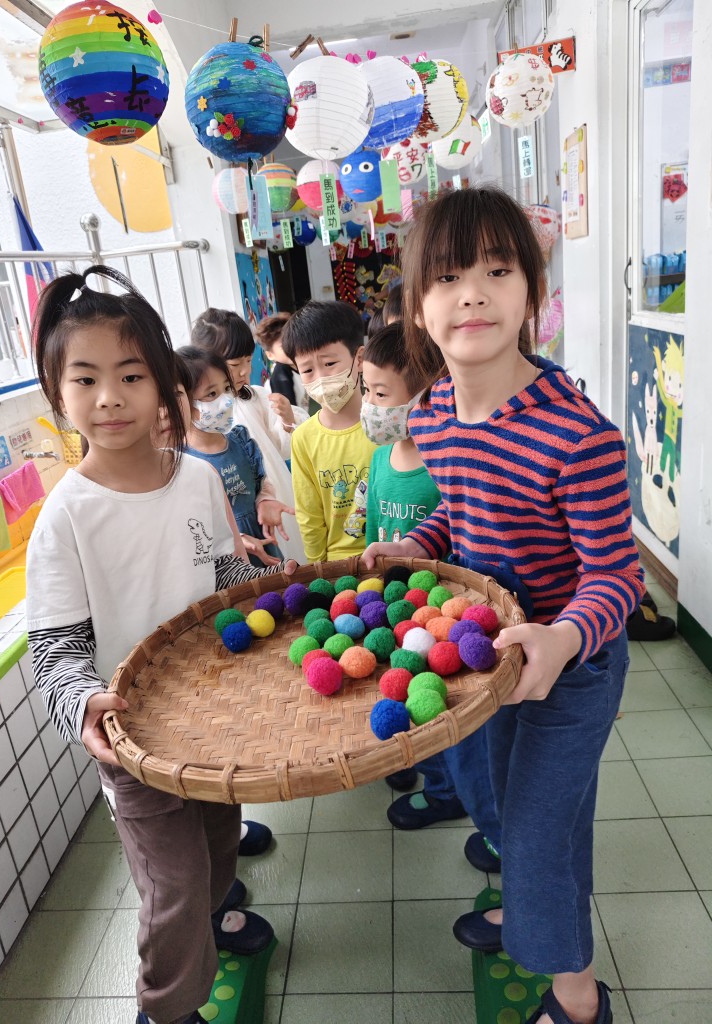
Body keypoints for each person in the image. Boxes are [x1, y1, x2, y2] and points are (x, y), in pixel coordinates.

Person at [362, 188, 643, 1024]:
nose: (473, 294)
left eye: (497, 271)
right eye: (448, 277)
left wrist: (562, 639)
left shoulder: (577, 435)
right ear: (419, 307)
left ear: (533, 293)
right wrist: (419, 546)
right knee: (497, 805)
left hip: (572, 668)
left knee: (536, 831)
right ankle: (528, 904)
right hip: (488, 659)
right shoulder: (433, 414)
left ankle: (577, 997)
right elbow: (464, 514)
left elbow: (617, 577)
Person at [26, 266, 298, 1024]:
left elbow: (220, 577)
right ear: (57, 394)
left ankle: (216, 921)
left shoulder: (197, 480)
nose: (109, 397)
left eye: (130, 375)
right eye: (85, 379)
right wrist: (84, 703)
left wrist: (272, 587)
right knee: (171, 884)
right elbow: (53, 650)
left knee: (218, 841)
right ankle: (166, 1007)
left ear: (162, 388)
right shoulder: (65, 517)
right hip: (133, 740)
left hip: (212, 718)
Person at [360, 324, 502, 849]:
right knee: (412, 701)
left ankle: (458, 798)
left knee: (454, 720)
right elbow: (378, 530)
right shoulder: (380, 458)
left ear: (425, 394)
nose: (369, 406)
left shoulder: (445, 461)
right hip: (396, 610)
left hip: (447, 613)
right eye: (366, 391)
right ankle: (436, 778)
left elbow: (461, 532)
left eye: (381, 394)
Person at [192, 310, 307, 562]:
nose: (245, 371)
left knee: (288, 557)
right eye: (235, 365)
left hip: (274, 496)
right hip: (234, 513)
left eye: (248, 360)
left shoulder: (255, 397)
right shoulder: (203, 413)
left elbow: (282, 448)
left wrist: (287, 419)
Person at [175, 345, 293, 568]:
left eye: (227, 388)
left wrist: (265, 499)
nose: (226, 400)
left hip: (264, 546)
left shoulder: (241, 441)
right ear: (183, 402)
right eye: (211, 394)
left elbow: (261, 482)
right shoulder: (180, 461)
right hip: (224, 561)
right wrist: (236, 539)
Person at [281, 300, 377, 561]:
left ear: (359, 358)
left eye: (330, 363)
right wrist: (318, 570)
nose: (321, 378)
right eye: (307, 370)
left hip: (395, 556)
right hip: (338, 565)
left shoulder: (385, 425)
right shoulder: (303, 438)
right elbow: (309, 516)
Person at [255, 312, 310, 414]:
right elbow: (290, 413)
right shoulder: (281, 374)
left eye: (294, 341)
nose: (292, 347)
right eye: (284, 345)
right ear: (270, 355)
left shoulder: (299, 367)